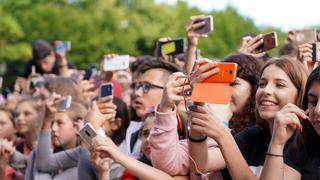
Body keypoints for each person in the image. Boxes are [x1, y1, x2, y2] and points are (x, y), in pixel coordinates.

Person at [188, 57, 308, 179]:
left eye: (279, 85)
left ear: (300, 94)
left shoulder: (304, 142)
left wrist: (224, 137)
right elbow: (200, 164)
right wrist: (199, 100)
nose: (266, 90)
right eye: (262, 84)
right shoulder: (254, 135)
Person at [260, 65, 320, 180]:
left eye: (280, 85)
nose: (317, 110)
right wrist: (276, 144)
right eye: (313, 101)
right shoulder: (302, 148)